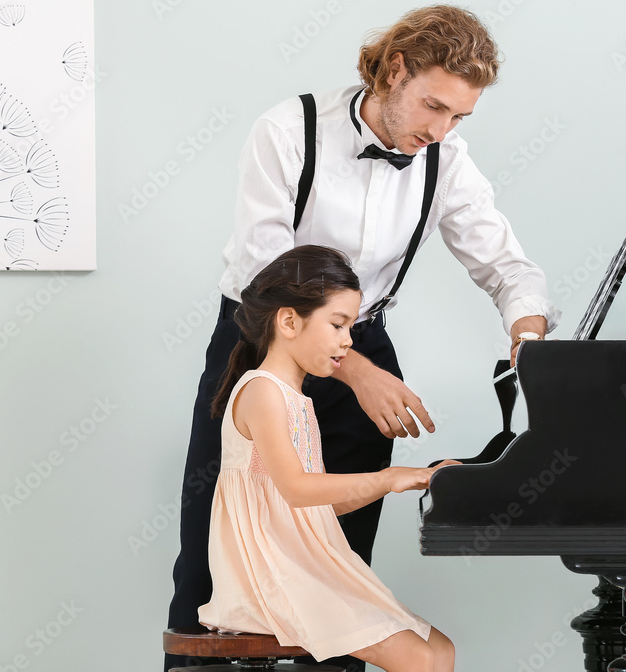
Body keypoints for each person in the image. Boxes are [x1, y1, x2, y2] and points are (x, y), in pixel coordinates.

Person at [167, 6, 560, 670]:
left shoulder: (446, 160)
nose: (439, 130)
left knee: (341, 563)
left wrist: (528, 331)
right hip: (261, 341)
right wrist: (354, 369)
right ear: (395, 69)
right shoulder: (288, 131)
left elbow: (508, 267)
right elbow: (268, 277)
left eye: (458, 117)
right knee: (214, 553)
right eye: (433, 106)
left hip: (362, 339)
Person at [198, 245, 456, 672]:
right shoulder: (262, 391)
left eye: (351, 325)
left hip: (307, 564)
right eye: (338, 324)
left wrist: (418, 477)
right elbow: (298, 490)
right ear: (288, 321)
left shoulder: (297, 400)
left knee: (439, 650)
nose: (348, 340)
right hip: (271, 576)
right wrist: (389, 477)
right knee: (420, 659)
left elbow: (323, 504)